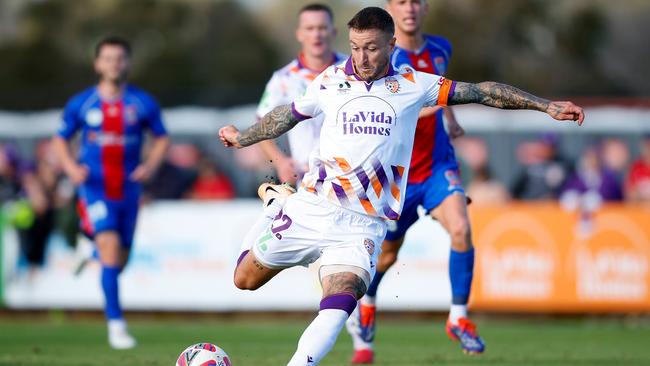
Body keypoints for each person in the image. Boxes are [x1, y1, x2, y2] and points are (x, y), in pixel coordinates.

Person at [219, 7, 584, 366]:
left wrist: (545, 105)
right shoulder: (329, 81)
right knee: (244, 280)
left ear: (392, 44)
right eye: (355, 46)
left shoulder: (413, 85)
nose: (361, 57)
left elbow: (481, 92)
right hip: (314, 207)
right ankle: (276, 206)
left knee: (341, 300)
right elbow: (286, 114)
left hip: (363, 227)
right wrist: (242, 138)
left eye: (372, 48)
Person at [344, 1, 480, 361]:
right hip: (398, 173)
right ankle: (368, 303)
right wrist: (439, 105)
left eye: (416, 1)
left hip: (437, 165)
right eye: (401, 2)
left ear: (425, 7)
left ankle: (459, 318)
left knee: (462, 229)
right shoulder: (384, 55)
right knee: (387, 255)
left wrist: (448, 117)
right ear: (390, 8)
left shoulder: (441, 47)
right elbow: (399, 105)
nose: (410, 8)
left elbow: (440, 87)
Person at [52, 36, 170, 349]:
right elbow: (60, 139)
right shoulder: (83, 103)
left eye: (119, 58)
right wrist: (70, 167)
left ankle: (88, 248)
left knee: (120, 259)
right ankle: (116, 325)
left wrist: (151, 165)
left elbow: (162, 138)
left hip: (128, 190)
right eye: (108, 58)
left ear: (127, 63)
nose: (114, 64)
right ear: (97, 64)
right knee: (110, 244)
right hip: (95, 188)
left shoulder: (142, 102)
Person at [256, 3, 346, 185]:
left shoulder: (352, 71)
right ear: (299, 34)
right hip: (307, 180)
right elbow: (260, 127)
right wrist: (281, 163)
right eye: (310, 28)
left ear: (333, 32)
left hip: (350, 178)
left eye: (322, 28)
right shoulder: (283, 79)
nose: (316, 34)